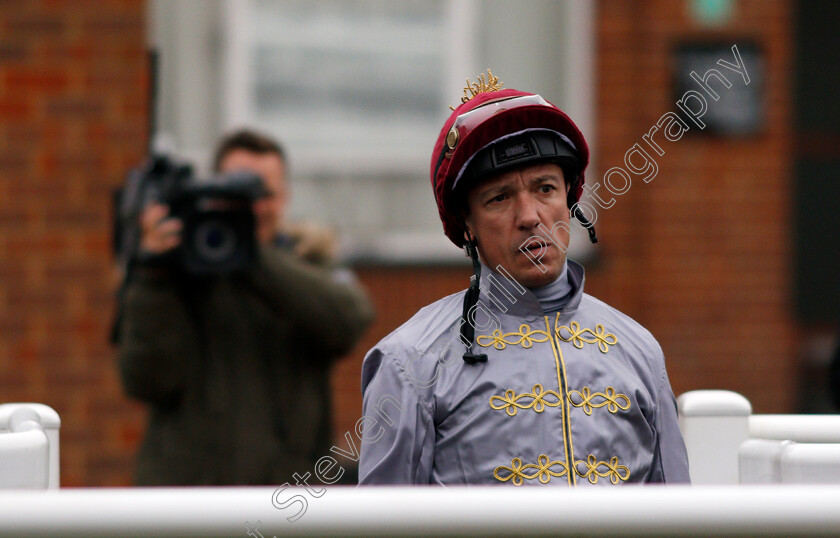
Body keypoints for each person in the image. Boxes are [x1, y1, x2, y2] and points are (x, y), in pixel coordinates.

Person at [359, 72, 689, 485]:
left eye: (545, 189)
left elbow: (679, 514)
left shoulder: (638, 348)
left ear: (569, 199)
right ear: (467, 225)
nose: (530, 216)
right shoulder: (409, 361)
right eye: (499, 198)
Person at [117, 129, 374, 485]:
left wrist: (252, 258)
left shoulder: (306, 263)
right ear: (211, 194)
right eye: (234, 194)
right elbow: (145, 380)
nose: (251, 207)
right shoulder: (175, 271)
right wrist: (154, 275)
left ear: (284, 198)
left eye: (261, 193)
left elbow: (349, 321)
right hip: (187, 508)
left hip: (285, 505)